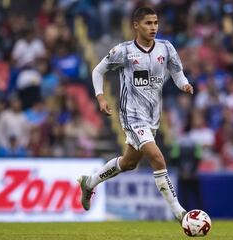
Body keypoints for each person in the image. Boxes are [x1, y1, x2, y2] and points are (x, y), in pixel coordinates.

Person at [77, 7, 194, 222]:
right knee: (158, 158)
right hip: (132, 116)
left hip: (153, 118)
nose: (153, 27)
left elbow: (178, 73)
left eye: (156, 23)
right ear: (136, 25)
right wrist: (101, 97)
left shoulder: (166, 48)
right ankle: (179, 213)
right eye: (148, 23)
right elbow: (98, 71)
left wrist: (185, 85)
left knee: (129, 163)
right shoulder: (124, 51)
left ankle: (90, 182)